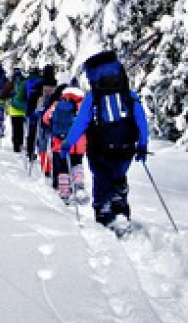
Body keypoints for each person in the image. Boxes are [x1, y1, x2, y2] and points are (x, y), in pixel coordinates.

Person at [61, 51, 147, 228]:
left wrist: (68, 143)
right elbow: (141, 120)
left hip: (100, 148)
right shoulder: (128, 95)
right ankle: (120, 205)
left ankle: (104, 212)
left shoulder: (93, 98)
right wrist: (143, 143)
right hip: (126, 147)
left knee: (101, 178)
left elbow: (81, 123)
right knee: (119, 175)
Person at [44, 85, 87, 204]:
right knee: (77, 164)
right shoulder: (82, 105)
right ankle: (78, 187)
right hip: (78, 143)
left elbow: (46, 118)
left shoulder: (57, 104)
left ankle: (64, 193)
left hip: (60, 144)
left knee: (63, 169)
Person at [1, 67, 26, 152]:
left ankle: (16, 146)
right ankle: (21, 143)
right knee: (21, 128)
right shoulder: (24, 82)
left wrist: (8, 96)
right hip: (23, 109)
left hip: (13, 109)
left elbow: (2, 97)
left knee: (15, 128)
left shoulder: (10, 83)